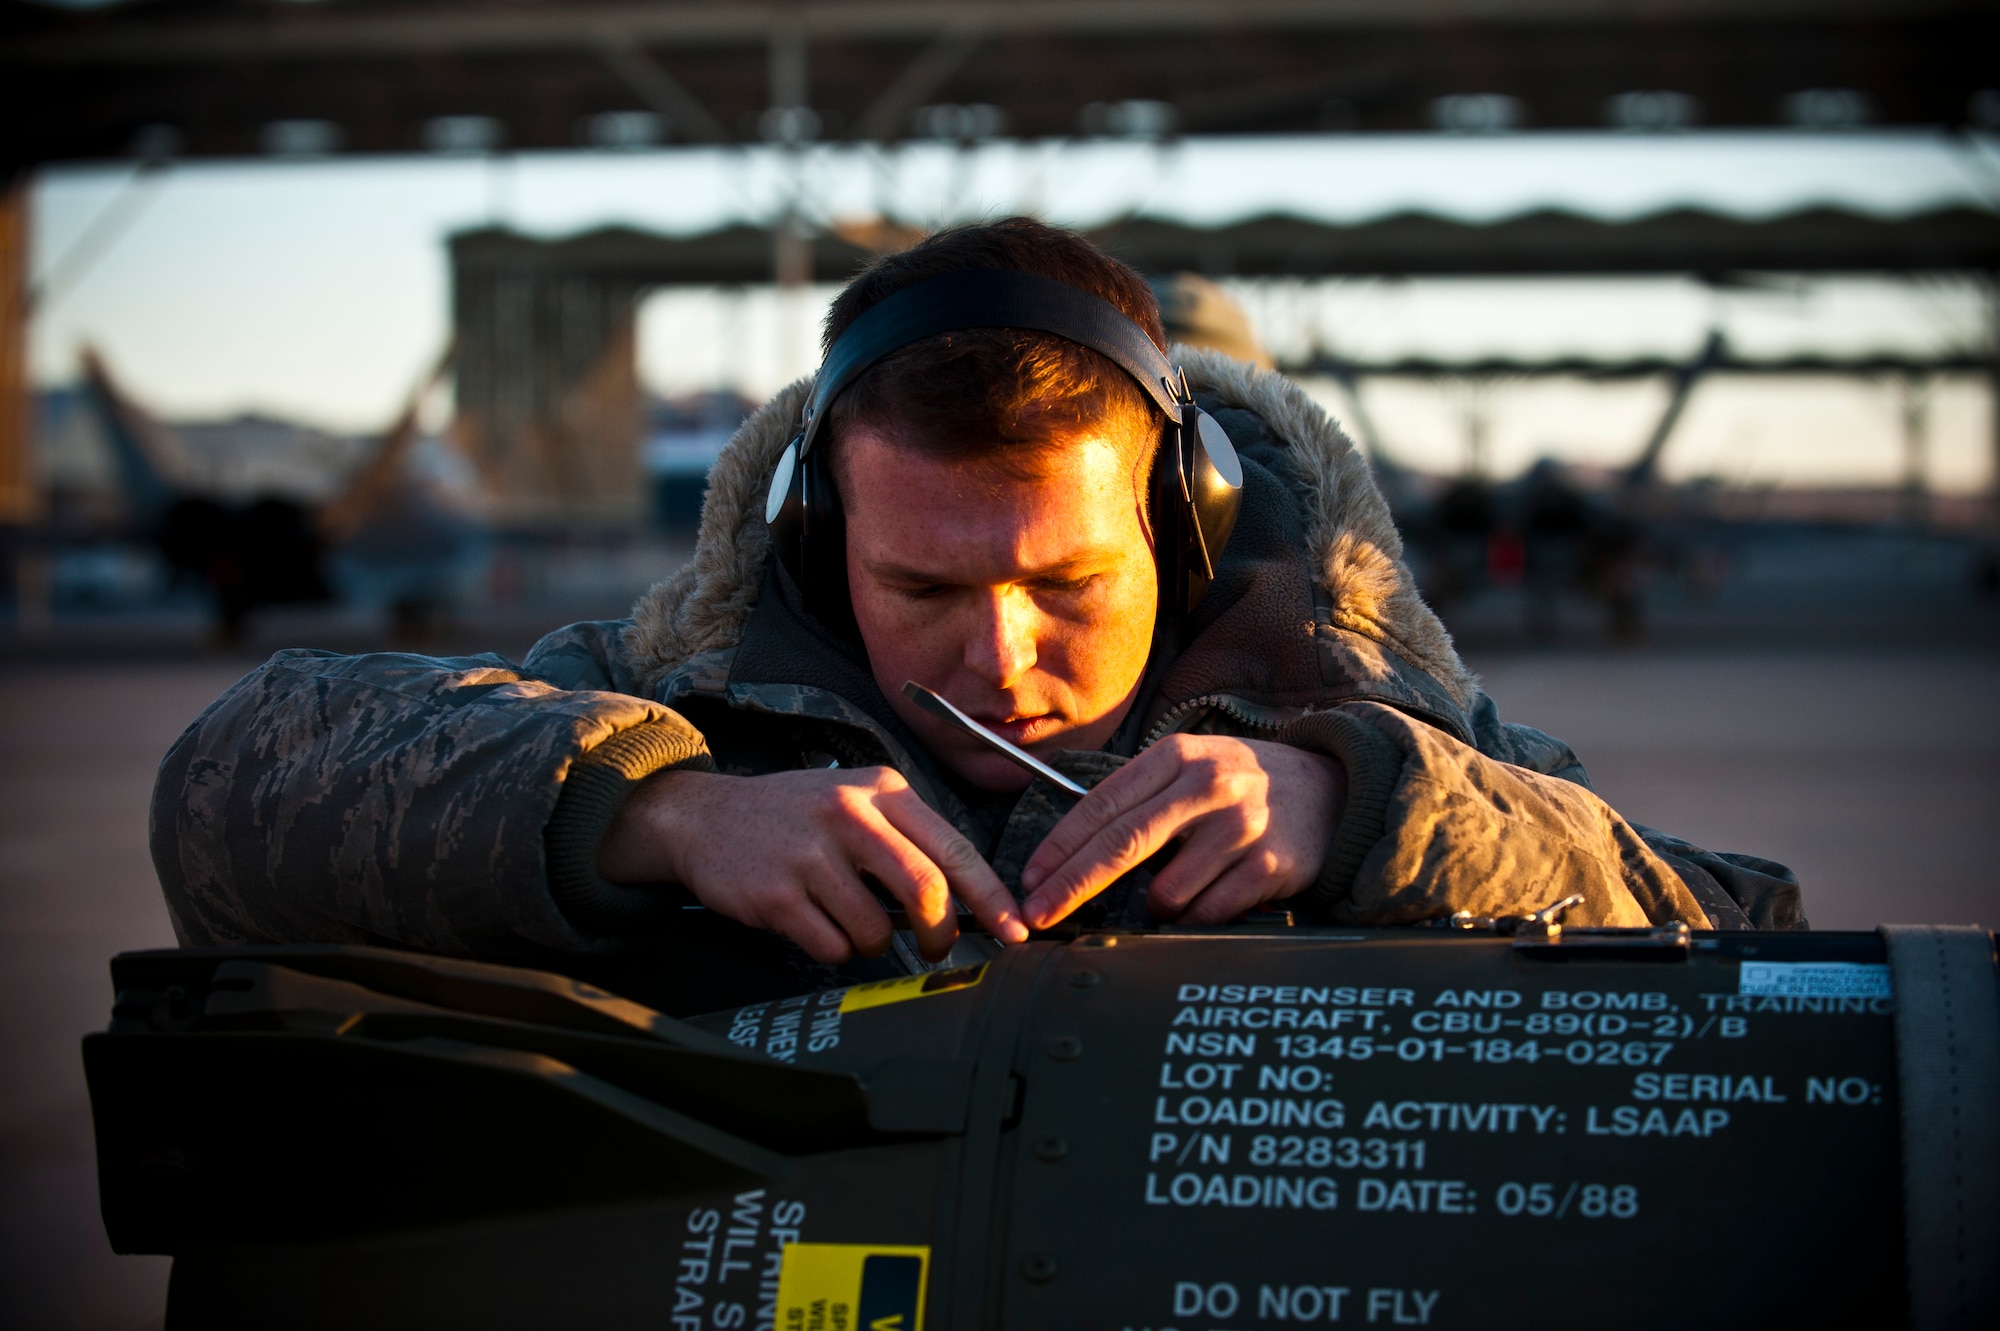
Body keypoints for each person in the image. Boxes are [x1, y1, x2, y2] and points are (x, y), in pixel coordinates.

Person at [149, 219, 1803, 1016]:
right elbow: (228, 799)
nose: (1001, 659)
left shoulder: (1356, 708)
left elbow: (1752, 936)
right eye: (918, 588)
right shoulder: (683, 705)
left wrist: (1365, 805)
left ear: (1183, 520)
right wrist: (658, 813)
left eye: (1068, 585)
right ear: (820, 533)